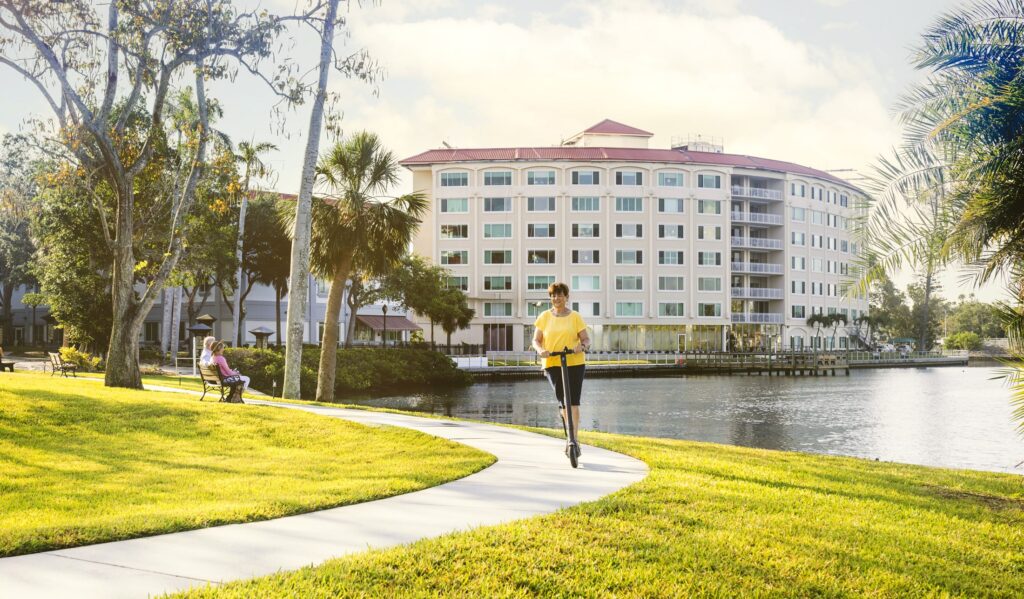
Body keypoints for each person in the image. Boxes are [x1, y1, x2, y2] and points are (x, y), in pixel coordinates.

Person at [531, 282, 590, 457]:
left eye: (560, 295)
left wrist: (582, 346)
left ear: (566, 297)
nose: (556, 298)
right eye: (553, 295)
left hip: (575, 362)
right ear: (550, 298)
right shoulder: (544, 316)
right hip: (552, 363)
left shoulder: (575, 317)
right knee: (563, 401)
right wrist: (541, 350)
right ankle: (569, 436)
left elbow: (586, 339)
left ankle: (574, 439)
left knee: (573, 401)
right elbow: (536, 340)